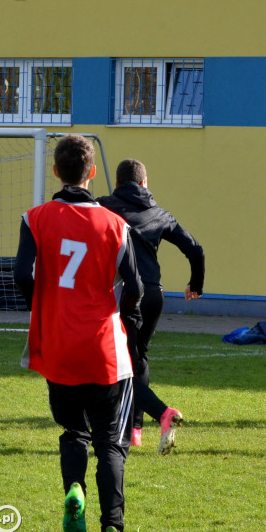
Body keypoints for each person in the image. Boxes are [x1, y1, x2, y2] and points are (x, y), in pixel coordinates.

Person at [13, 135, 143, 532]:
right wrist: (126, 314)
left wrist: (45, 304)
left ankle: (74, 488)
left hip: (60, 345)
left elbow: (22, 275)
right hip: (104, 346)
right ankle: (113, 529)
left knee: (73, 430)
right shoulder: (115, 224)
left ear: (55, 171)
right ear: (92, 172)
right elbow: (136, 287)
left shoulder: (35, 218)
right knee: (110, 441)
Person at [98, 159, 204, 456]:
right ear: (145, 183)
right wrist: (195, 284)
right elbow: (195, 249)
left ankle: (162, 413)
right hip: (154, 294)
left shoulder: (103, 206)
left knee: (118, 366)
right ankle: (134, 430)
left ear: (117, 184)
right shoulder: (159, 213)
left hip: (124, 293)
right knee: (138, 359)